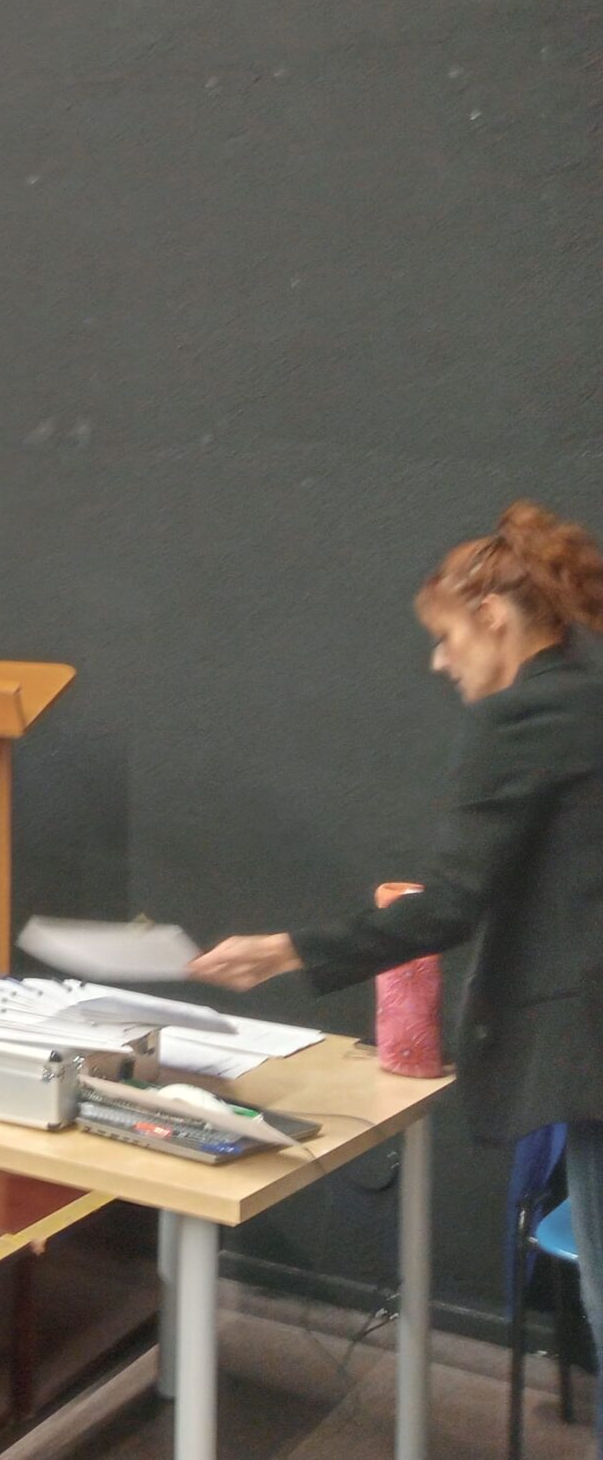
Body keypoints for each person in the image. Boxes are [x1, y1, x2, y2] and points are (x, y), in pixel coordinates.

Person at [192, 501, 603, 1445]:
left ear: (493, 618)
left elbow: (451, 905)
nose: (439, 662)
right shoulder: (591, 694)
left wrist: (288, 949)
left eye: (446, 637)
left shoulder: (521, 717)